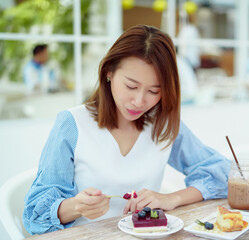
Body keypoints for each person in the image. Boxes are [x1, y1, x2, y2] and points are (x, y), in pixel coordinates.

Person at [23, 25, 230, 235]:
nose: (139, 101)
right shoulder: (73, 124)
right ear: (109, 72)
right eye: (131, 86)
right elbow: (34, 216)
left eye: (153, 91)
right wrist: (76, 206)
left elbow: (222, 173)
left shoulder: (162, 124)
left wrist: (171, 198)